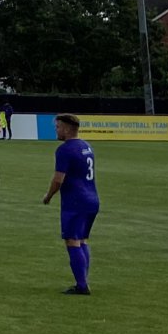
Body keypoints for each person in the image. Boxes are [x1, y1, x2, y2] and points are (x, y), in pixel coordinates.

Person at [42, 113, 99, 294]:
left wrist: (49, 195)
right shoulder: (86, 146)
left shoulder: (65, 149)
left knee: (72, 241)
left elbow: (59, 179)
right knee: (81, 240)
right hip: (92, 199)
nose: (56, 130)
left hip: (76, 201)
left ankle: (82, 286)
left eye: (57, 127)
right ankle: (83, 281)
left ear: (66, 129)